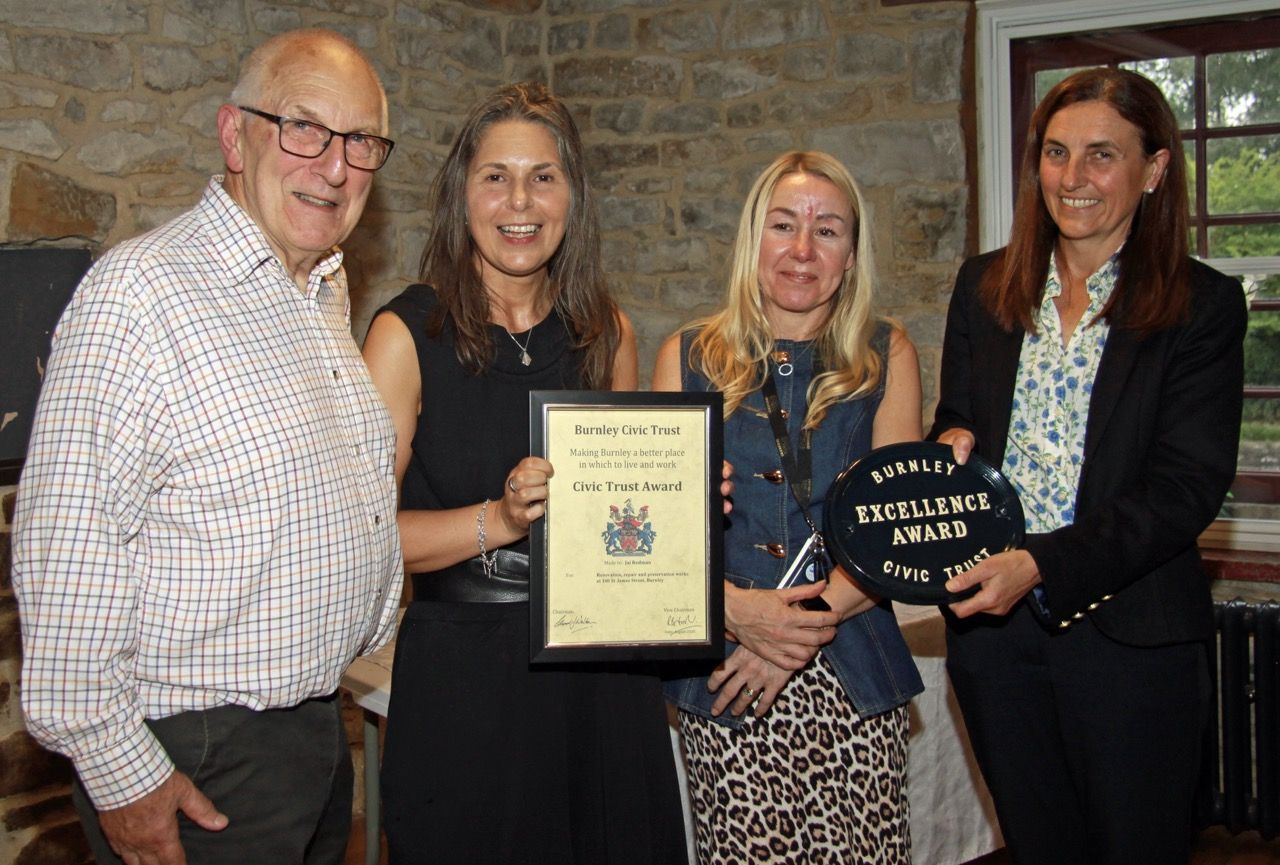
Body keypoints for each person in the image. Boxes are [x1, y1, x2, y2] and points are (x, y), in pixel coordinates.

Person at [11, 29, 402, 865]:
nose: (334, 166)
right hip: (200, 755)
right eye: (304, 127)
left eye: (361, 141)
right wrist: (124, 776)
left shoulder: (316, 296)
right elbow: (68, 554)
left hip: (308, 732)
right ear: (234, 135)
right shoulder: (140, 294)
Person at [360, 81, 688, 865]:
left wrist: (682, 510)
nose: (521, 200)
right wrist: (498, 521)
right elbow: (362, 535)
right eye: (495, 176)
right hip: (468, 683)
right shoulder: (406, 336)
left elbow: (619, 524)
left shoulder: (606, 333)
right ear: (461, 195)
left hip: (601, 678)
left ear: (572, 196)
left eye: (543, 176)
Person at [930, 67, 1246, 865]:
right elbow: (959, 421)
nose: (1072, 179)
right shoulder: (985, 286)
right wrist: (949, 447)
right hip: (995, 641)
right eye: (1056, 152)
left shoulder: (1202, 306)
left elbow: (1185, 489)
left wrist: (1039, 563)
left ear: (1155, 169)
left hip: (1132, 643)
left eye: (1101, 155)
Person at [653, 150, 925, 864]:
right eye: (784, 225)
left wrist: (798, 630)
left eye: (827, 229)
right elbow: (655, 543)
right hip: (729, 677)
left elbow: (899, 531)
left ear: (851, 253)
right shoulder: (685, 357)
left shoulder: (887, 353)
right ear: (754, 240)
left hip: (854, 673)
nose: (802, 249)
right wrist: (736, 614)